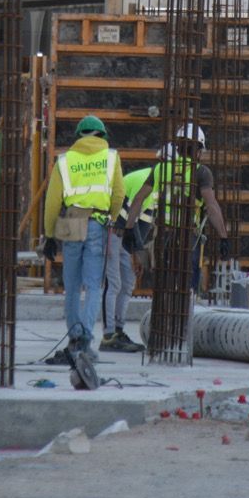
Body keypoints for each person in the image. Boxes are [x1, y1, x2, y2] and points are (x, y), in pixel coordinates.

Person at [41, 115, 125, 360]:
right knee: (93, 285)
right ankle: (86, 339)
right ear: (102, 136)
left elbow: (53, 201)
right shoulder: (111, 157)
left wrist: (49, 235)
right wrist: (110, 214)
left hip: (70, 224)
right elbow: (118, 195)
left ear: (79, 136)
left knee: (72, 286)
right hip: (98, 224)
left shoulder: (65, 160)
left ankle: (74, 336)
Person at [122, 124, 228, 298]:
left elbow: (138, 199)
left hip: (163, 234)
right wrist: (223, 237)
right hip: (188, 237)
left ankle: (163, 314)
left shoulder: (161, 169)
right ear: (199, 150)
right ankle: (186, 312)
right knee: (187, 285)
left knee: (163, 282)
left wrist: (128, 228)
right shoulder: (201, 172)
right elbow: (211, 205)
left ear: (177, 147)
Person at [102, 149, 166, 353]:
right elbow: (129, 218)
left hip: (125, 234)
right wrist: (137, 253)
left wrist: (138, 254)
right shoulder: (143, 179)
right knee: (114, 283)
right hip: (113, 230)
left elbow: (143, 223)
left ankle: (119, 331)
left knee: (128, 283)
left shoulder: (158, 187)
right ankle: (108, 335)